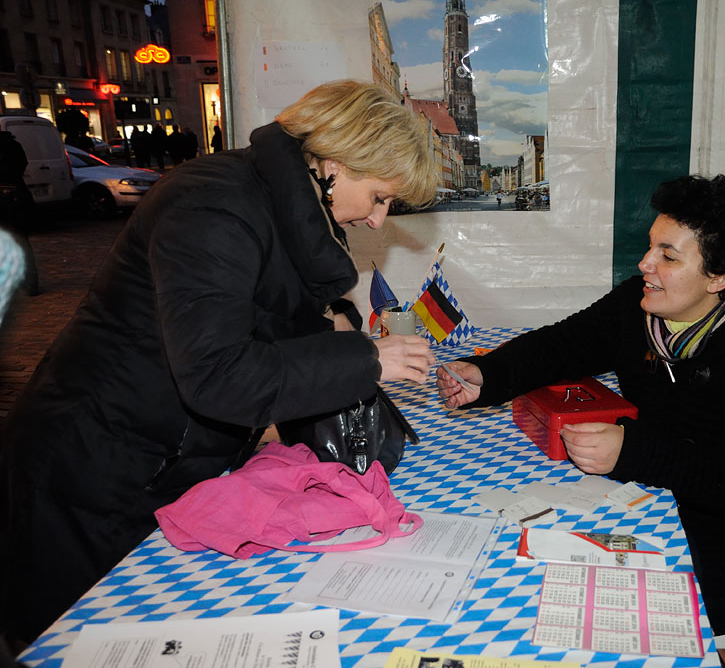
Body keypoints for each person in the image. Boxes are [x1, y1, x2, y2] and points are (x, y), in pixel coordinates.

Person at [0, 80, 439, 645]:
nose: (378, 220)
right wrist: (365, 359)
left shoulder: (276, 203)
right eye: (380, 197)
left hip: (168, 459)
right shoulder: (213, 202)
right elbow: (219, 373)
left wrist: (336, 327)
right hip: (91, 467)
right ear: (336, 162)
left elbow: (273, 316)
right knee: (65, 643)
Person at [437, 174, 725, 636]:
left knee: (584, 600)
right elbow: (565, 344)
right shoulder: (641, 304)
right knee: (526, 556)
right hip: (667, 497)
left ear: (719, 278)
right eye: (651, 247)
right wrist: (489, 375)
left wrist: (632, 451)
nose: (646, 263)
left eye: (668, 256)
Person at [0, 131, 38, 296]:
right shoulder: (13, 144)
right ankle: (29, 284)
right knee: (21, 241)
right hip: (16, 195)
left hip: (9, 198)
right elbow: (22, 165)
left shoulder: (11, 146)